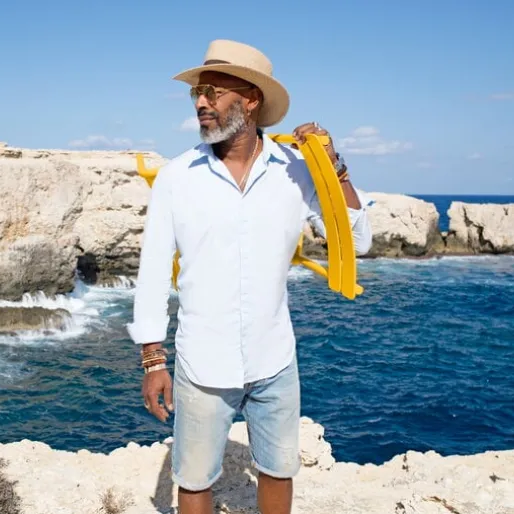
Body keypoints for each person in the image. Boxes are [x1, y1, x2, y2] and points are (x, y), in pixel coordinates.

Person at [126, 39, 373, 514]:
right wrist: (153, 361)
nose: (201, 102)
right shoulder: (177, 176)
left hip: (274, 358)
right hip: (202, 363)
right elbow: (152, 271)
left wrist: (335, 168)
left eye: (214, 92)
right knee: (194, 480)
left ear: (251, 99)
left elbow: (357, 242)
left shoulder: (297, 171)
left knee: (278, 471)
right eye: (197, 93)